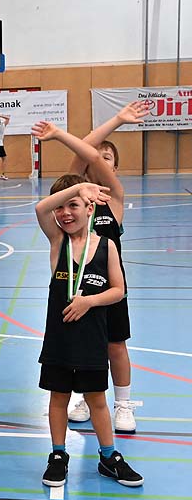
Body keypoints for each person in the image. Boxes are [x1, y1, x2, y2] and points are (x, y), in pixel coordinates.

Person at [32, 122, 143, 488]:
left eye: (74, 206)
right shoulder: (57, 243)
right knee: (58, 398)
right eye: (61, 207)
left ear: (90, 207)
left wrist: (88, 301)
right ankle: (58, 453)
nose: (65, 213)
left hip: (93, 338)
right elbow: (41, 207)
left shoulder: (106, 245)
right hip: (60, 340)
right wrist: (76, 187)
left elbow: (118, 291)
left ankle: (109, 456)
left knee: (96, 399)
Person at [66, 101, 149, 433]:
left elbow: (90, 153)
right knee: (86, 345)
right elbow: (84, 151)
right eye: (97, 156)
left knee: (115, 345)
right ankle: (88, 398)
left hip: (111, 286)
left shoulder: (114, 198)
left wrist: (115, 123)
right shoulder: (74, 197)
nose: (100, 160)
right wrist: (116, 119)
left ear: (115, 166)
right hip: (77, 285)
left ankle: (123, 404)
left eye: (108, 157)